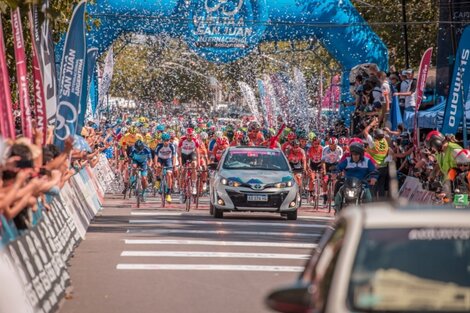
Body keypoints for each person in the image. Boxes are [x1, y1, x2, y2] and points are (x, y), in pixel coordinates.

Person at [334, 143, 378, 212]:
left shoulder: (367, 161)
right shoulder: (347, 160)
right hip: (348, 185)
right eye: (353, 154)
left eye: (357, 154)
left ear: (361, 155)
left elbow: (374, 171)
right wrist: (335, 173)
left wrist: (373, 178)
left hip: (363, 185)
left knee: (369, 197)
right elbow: (338, 167)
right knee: (339, 192)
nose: (355, 156)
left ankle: (369, 213)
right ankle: (337, 208)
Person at [154, 133, 176, 203]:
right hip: (160, 158)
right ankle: (157, 181)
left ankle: (168, 194)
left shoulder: (172, 146)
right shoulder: (159, 146)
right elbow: (156, 156)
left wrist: (174, 165)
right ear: (162, 141)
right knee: (158, 167)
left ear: (169, 140)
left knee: (169, 175)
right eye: (165, 140)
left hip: (168, 160)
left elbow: (174, 156)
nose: (166, 142)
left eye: (167, 140)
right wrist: (155, 163)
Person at [178, 128, 200, 195]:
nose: (189, 137)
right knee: (183, 172)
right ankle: (181, 190)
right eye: (188, 135)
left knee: (193, 164)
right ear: (186, 135)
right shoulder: (182, 140)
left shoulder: (195, 141)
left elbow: (198, 153)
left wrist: (198, 164)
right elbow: (179, 154)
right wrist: (181, 165)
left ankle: (193, 185)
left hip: (191, 154)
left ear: (193, 135)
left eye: (191, 135)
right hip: (183, 155)